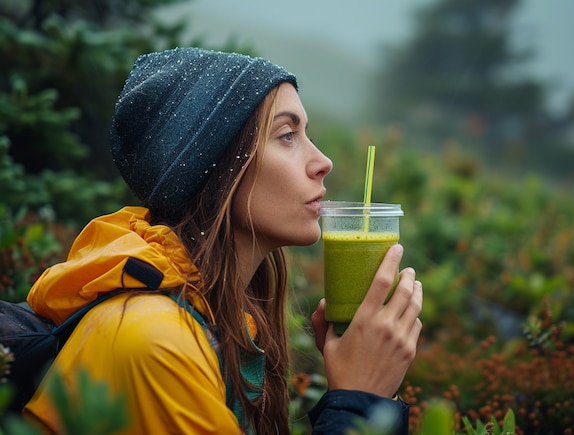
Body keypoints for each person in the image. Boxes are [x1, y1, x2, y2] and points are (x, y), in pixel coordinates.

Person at [22, 47, 423, 434]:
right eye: (287, 135)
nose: (323, 162)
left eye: (306, 134)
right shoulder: (154, 341)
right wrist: (359, 399)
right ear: (216, 169)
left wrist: (368, 380)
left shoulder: (224, 321)